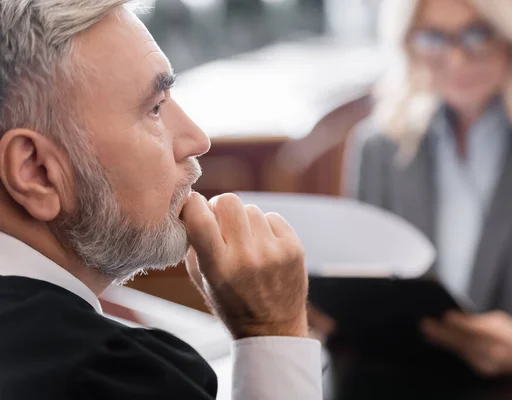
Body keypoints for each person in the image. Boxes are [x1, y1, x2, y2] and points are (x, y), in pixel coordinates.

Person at [0, 1, 322, 399]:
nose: (196, 139)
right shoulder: (109, 374)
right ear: (36, 172)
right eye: (154, 108)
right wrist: (274, 330)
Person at [353, 0, 512, 388]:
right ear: (408, 42)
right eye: (434, 37)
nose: (454, 58)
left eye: (477, 34)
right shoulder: (380, 147)